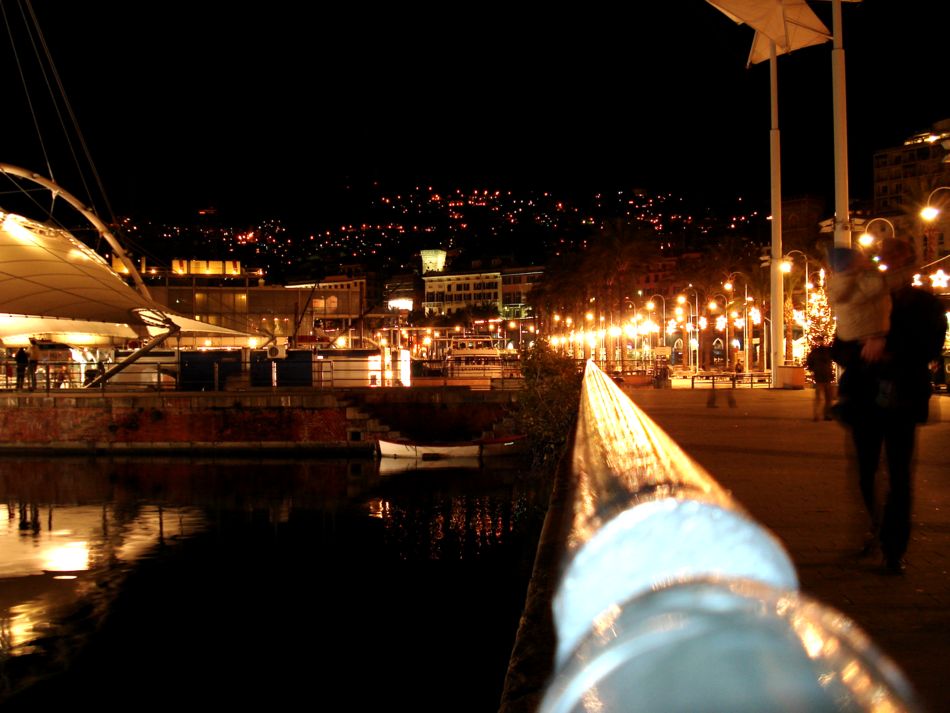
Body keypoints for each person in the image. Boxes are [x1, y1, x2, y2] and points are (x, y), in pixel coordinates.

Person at [830, 238, 947, 575]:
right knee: (866, 472)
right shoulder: (864, 295)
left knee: (899, 474)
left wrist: (888, 351)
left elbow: (931, 346)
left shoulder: (925, 303)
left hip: (903, 397)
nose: (892, 262)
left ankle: (894, 548)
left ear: (910, 262)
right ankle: (876, 525)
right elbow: (839, 345)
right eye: (887, 257)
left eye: (900, 257)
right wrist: (861, 351)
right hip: (864, 397)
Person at [805, 339, 835, 421]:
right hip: (827, 375)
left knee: (818, 397)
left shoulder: (814, 352)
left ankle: (816, 415)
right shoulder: (828, 351)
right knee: (828, 397)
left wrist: (813, 369)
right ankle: (827, 415)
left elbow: (809, 362)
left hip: (818, 376)